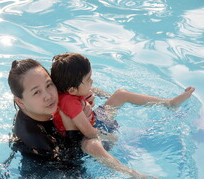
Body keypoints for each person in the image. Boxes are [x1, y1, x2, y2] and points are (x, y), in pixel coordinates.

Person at [7, 58, 170, 179]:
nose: (49, 95)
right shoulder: (32, 135)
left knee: (121, 102)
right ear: (20, 102)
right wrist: (74, 125)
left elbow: (74, 88)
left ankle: (168, 105)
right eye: (37, 92)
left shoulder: (48, 102)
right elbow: (71, 163)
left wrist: (84, 99)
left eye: (49, 84)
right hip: (50, 178)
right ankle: (135, 175)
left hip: (81, 134)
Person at [50, 53, 196, 141]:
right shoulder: (69, 103)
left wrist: (106, 96)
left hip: (93, 119)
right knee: (121, 103)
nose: (92, 81)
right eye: (88, 79)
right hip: (91, 131)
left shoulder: (66, 89)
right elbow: (88, 132)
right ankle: (169, 105)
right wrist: (111, 138)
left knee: (120, 94)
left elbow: (92, 89)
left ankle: (169, 103)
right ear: (72, 90)